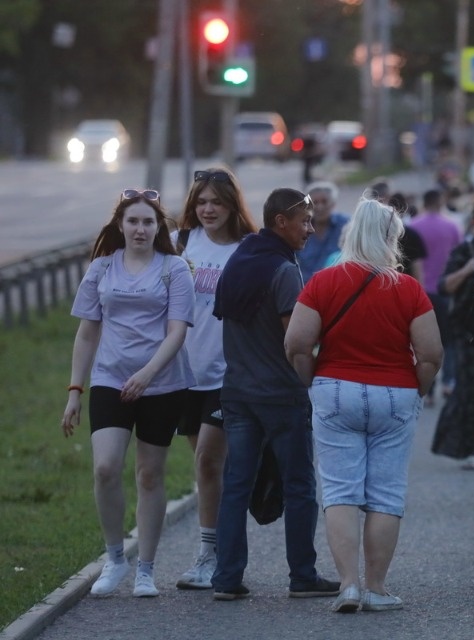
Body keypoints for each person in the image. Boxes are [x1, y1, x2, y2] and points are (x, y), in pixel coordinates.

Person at [285, 197, 443, 613]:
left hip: (335, 389)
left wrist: (314, 378)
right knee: (386, 495)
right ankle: (377, 587)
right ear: (392, 239)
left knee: (339, 492)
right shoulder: (407, 288)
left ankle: (349, 586)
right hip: (394, 392)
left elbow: (296, 344)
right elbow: (430, 354)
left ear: (351, 233)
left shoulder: (322, 282)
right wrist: (416, 389)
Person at [61, 188, 196, 598]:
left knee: (150, 474)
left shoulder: (175, 269)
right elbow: (87, 333)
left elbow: (177, 332)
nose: (140, 229)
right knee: (105, 468)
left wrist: (148, 374)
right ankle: (115, 558)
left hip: (162, 383)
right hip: (109, 380)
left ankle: (146, 569)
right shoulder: (102, 269)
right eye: (133, 221)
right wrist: (74, 391)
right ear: (120, 225)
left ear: (159, 228)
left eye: (148, 222)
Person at [210, 188, 340, 601]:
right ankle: (302, 575)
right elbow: (294, 339)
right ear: (280, 222)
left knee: (236, 486)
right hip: (281, 396)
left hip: (237, 392)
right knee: (299, 485)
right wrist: (314, 379)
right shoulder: (283, 271)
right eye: (304, 220)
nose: (310, 227)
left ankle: (226, 578)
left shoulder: (239, 261)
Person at [172, 167, 258, 590]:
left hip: (229, 373)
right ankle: (221, 548)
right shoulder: (181, 243)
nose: (208, 209)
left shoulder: (248, 249)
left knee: (209, 458)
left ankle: (209, 556)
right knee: (208, 469)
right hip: (184, 370)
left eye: (216, 202)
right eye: (201, 202)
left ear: (231, 205)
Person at [431, 200, 474, 469]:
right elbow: (444, 285)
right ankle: (466, 447)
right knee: (470, 388)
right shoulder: (465, 249)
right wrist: (468, 269)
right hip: (467, 330)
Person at [408, 188, 463, 401]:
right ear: (440, 202)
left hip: (421, 290)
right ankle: (448, 381)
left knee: (423, 340)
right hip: (447, 288)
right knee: (448, 339)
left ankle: (428, 388)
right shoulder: (451, 225)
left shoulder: (413, 226)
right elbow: (459, 252)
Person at [297, 180, 350, 281]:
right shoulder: (299, 228)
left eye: (324, 202)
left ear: (333, 204)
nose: (319, 207)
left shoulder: (346, 224)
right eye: (315, 202)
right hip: (305, 289)